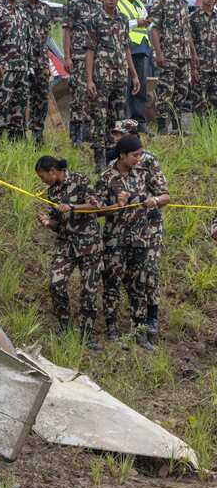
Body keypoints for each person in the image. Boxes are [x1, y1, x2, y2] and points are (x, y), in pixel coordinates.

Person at [97, 134, 169, 348]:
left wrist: (154, 200)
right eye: (135, 155)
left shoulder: (143, 173)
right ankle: (112, 329)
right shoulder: (106, 177)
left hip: (140, 239)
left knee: (140, 285)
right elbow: (96, 210)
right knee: (112, 284)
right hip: (115, 240)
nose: (139, 158)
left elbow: (166, 196)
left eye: (140, 154)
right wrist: (115, 205)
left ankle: (140, 332)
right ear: (123, 155)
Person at [35, 155, 102, 346]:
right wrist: (48, 223)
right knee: (56, 284)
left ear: (53, 172)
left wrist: (72, 206)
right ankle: (65, 327)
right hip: (66, 245)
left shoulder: (79, 180)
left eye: (43, 177)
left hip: (89, 244)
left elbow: (96, 205)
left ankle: (87, 335)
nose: (43, 181)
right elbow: (58, 223)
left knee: (89, 291)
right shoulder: (52, 192)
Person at [84, 0, 141, 171]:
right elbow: (90, 50)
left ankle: (114, 156)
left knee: (118, 118)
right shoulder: (94, 20)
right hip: (101, 77)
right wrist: (89, 79)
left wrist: (134, 75)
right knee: (99, 117)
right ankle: (99, 158)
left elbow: (126, 48)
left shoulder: (123, 19)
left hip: (120, 76)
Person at [151, 0, 199, 134]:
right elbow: (154, 29)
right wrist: (158, 53)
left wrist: (193, 54)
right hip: (168, 54)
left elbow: (187, 32)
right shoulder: (162, 2)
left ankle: (177, 127)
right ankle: (162, 128)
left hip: (184, 55)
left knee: (182, 91)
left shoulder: (184, 4)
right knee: (165, 90)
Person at [0, 0, 34, 141]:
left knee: (19, 106)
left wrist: (29, 63)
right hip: (4, 67)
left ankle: (16, 141)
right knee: (0, 105)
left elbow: (27, 38)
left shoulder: (23, 8)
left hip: (22, 66)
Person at [62, 0, 102, 144]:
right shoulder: (73, 3)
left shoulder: (100, 4)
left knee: (94, 96)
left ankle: (90, 133)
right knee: (79, 96)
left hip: (98, 58)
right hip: (79, 56)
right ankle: (76, 137)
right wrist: (67, 57)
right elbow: (67, 31)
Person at [22, 0, 54, 142]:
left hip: (40, 60)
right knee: (21, 97)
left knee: (41, 97)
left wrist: (49, 62)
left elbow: (47, 37)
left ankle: (37, 134)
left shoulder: (45, 9)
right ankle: (20, 134)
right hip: (21, 60)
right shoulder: (18, 7)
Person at [119, 0, 152, 122]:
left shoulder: (139, 3)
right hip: (128, 48)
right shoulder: (118, 3)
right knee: (126, 86)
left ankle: (139, 122)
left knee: (141, 86)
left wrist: (147, 21)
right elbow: (118, 24)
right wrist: (137, 22)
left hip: (142, 48)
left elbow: (145, 22)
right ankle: (126, 121)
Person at [191, 0, 217, 115]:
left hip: (215, 67)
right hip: (201, 67)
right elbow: (190, 43)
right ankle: (201, 127)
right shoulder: (193, 18)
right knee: (200, 104)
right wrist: (193, 68)